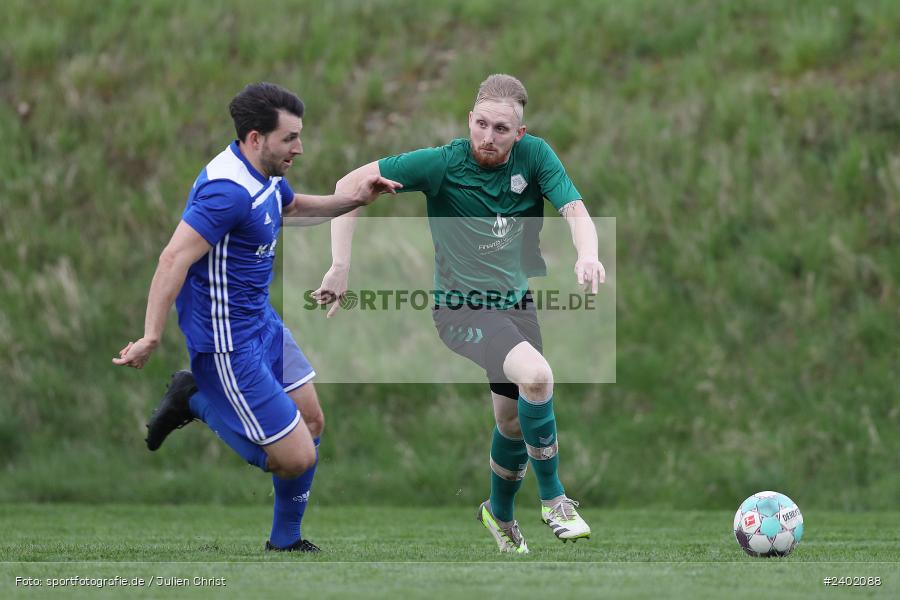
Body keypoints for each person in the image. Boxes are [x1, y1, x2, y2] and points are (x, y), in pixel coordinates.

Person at [315, 74, 605, 553]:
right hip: (460, 310)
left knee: (514, 421)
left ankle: (500, 515)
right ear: (470, 120)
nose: (488, 138)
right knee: (537, 376)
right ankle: (555, 500)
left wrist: (588, 253)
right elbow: (349, 184)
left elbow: (573, 207)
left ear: (521, 134)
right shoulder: (442, 164)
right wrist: (340, 266)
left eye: (501, 130)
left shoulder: (536, 157)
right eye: (481, 125)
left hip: (515, 305)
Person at [113, 82, 401, 552]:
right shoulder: (227, 192)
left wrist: (356, 200)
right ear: (254, 137)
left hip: (260, 323)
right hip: (227, 342)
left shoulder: (262, 174)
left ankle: (285, 542)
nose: (299, 148)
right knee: (295, 458)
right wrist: (150, 335)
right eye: (290, 138)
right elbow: (172, 259)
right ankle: (194, 400)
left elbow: (291, 207)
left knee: (312, 422)